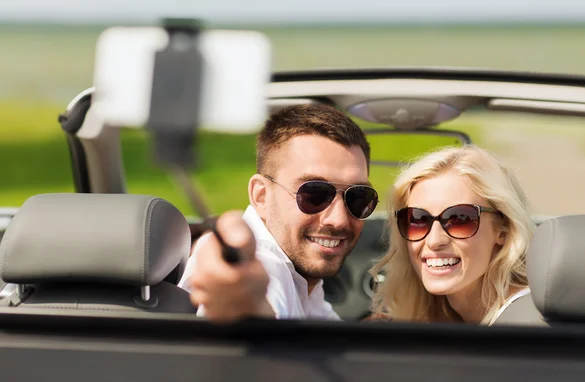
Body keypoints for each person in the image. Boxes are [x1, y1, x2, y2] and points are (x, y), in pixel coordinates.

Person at [178, 103, 379, 321]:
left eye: (358, 197)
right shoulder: (265, 267)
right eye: (314, 194)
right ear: (261, 196)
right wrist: (245, 305)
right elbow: (260, 310)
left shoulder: (304, 284)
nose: (338, 220)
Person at [368, 145, 535, 325]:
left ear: (503, 229)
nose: (434, 241)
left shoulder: (525, 327)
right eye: (417, 220)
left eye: (459, 219)